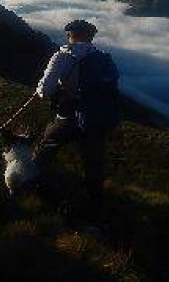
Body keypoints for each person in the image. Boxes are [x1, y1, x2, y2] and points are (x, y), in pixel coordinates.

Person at [33, 19, 120, 206]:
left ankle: (36, 188)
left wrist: (43, 91)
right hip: (97, 118)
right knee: (93, 163)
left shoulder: (63, 56)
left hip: (68, 118)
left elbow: (45, 90)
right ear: (91, 36)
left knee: (44, 149)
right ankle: (95, 202)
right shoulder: (103, 57)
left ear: (70, 34)